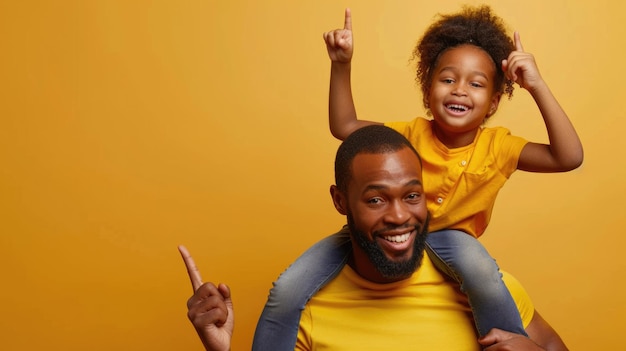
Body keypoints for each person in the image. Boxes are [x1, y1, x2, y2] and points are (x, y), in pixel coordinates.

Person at [254, 5, 584, 346]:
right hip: (387, 235)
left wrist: (537, 85)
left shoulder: (500, 146)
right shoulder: (408, 136)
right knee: (287, 287)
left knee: (482, 272)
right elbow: (345, 127)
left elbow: (569, 157)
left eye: (476, 83)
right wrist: (341, 64)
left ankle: (507, 343)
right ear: (428, 91)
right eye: (447, 79)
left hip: (454, 241)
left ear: (494, 102)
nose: (459, 89)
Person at [181, 125, 569, 350]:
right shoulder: (304, 311)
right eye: (376, 199)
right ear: (340, 200)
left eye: (411, 195)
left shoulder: (486, 289)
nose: (399, 215)